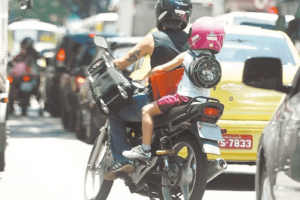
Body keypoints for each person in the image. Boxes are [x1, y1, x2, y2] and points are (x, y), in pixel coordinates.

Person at [103, 0, 193, 181]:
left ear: (160, 13)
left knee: (115, 111)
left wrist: (109, 65)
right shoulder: (192, 42)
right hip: (186, 100)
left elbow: (122, 63)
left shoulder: (154, 39)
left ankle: (121, 159)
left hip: (158, 100)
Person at [122, 17, 225, 160]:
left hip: (182, 99)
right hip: (203, 101)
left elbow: (162, 68)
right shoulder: (215, 61)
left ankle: (144, 149)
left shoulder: (187, 55)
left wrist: (148, 75)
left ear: (194, 36)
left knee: (146, 110)